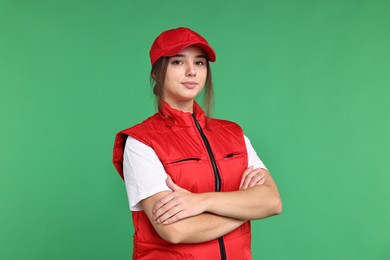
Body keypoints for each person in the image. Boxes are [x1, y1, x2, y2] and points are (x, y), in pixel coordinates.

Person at [113, 27, 282, 260]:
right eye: (178, 62)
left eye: (200, 63)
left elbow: (272, 202)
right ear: (157, 72)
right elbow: (175, 230)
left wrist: (200, 202)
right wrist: (246, 207)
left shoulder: (234, 134)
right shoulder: (141, 142)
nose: (192, 71)